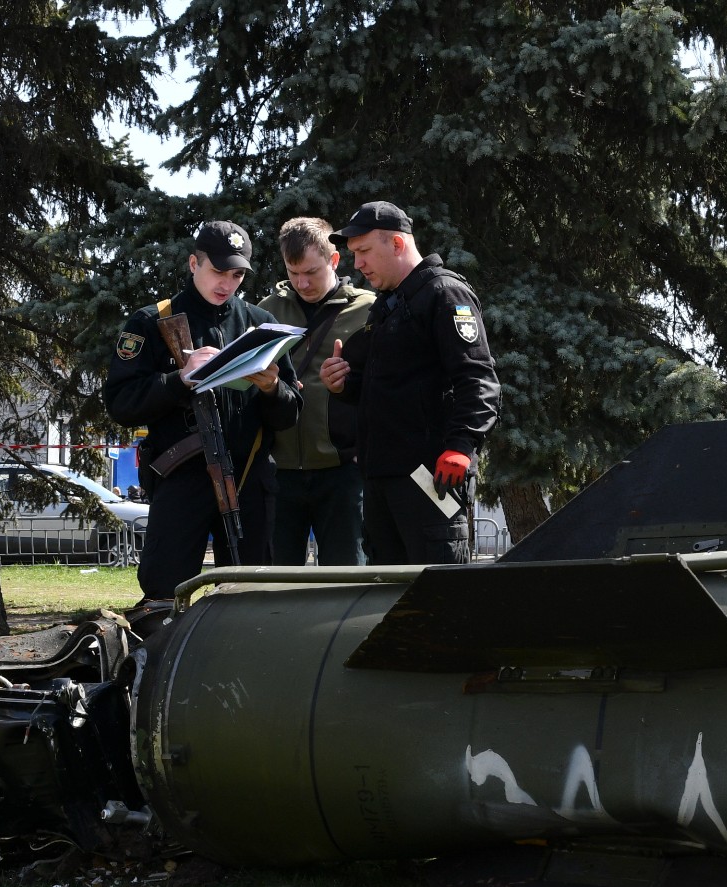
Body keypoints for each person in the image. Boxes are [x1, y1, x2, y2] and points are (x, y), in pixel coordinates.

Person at [105, 220, 302, 603]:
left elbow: (289, 415)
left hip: (248, 482)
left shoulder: (261, 326)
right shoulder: (152, 322)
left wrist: (271, 388)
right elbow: (121, 403)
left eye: (237, 274)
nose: (227, 283)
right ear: (194, 263)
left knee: (251, 597)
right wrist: (180, 379)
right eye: (218, 271)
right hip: (182, 482)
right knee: (164, 594)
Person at [317, 202, 499, 565]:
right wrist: (342, 383)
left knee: (438, 596)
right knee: (386, 600)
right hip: (382, 478)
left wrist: (461, 445)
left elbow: (478, 378)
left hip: (431, 478)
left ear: (397, 244)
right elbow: (384, 386)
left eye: (364, 251)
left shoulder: (445, 294)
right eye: (354, 254)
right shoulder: (387, 305)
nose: (358, 264)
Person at [258, 217, 377, 565]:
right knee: (273, 581)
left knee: (345, 579)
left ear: (334, 260)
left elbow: (385, 387)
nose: (303, 283)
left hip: (343, 473)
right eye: (293, 273)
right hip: (279, 474)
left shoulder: (369, 310)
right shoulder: (265, 313)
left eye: (311, 271)